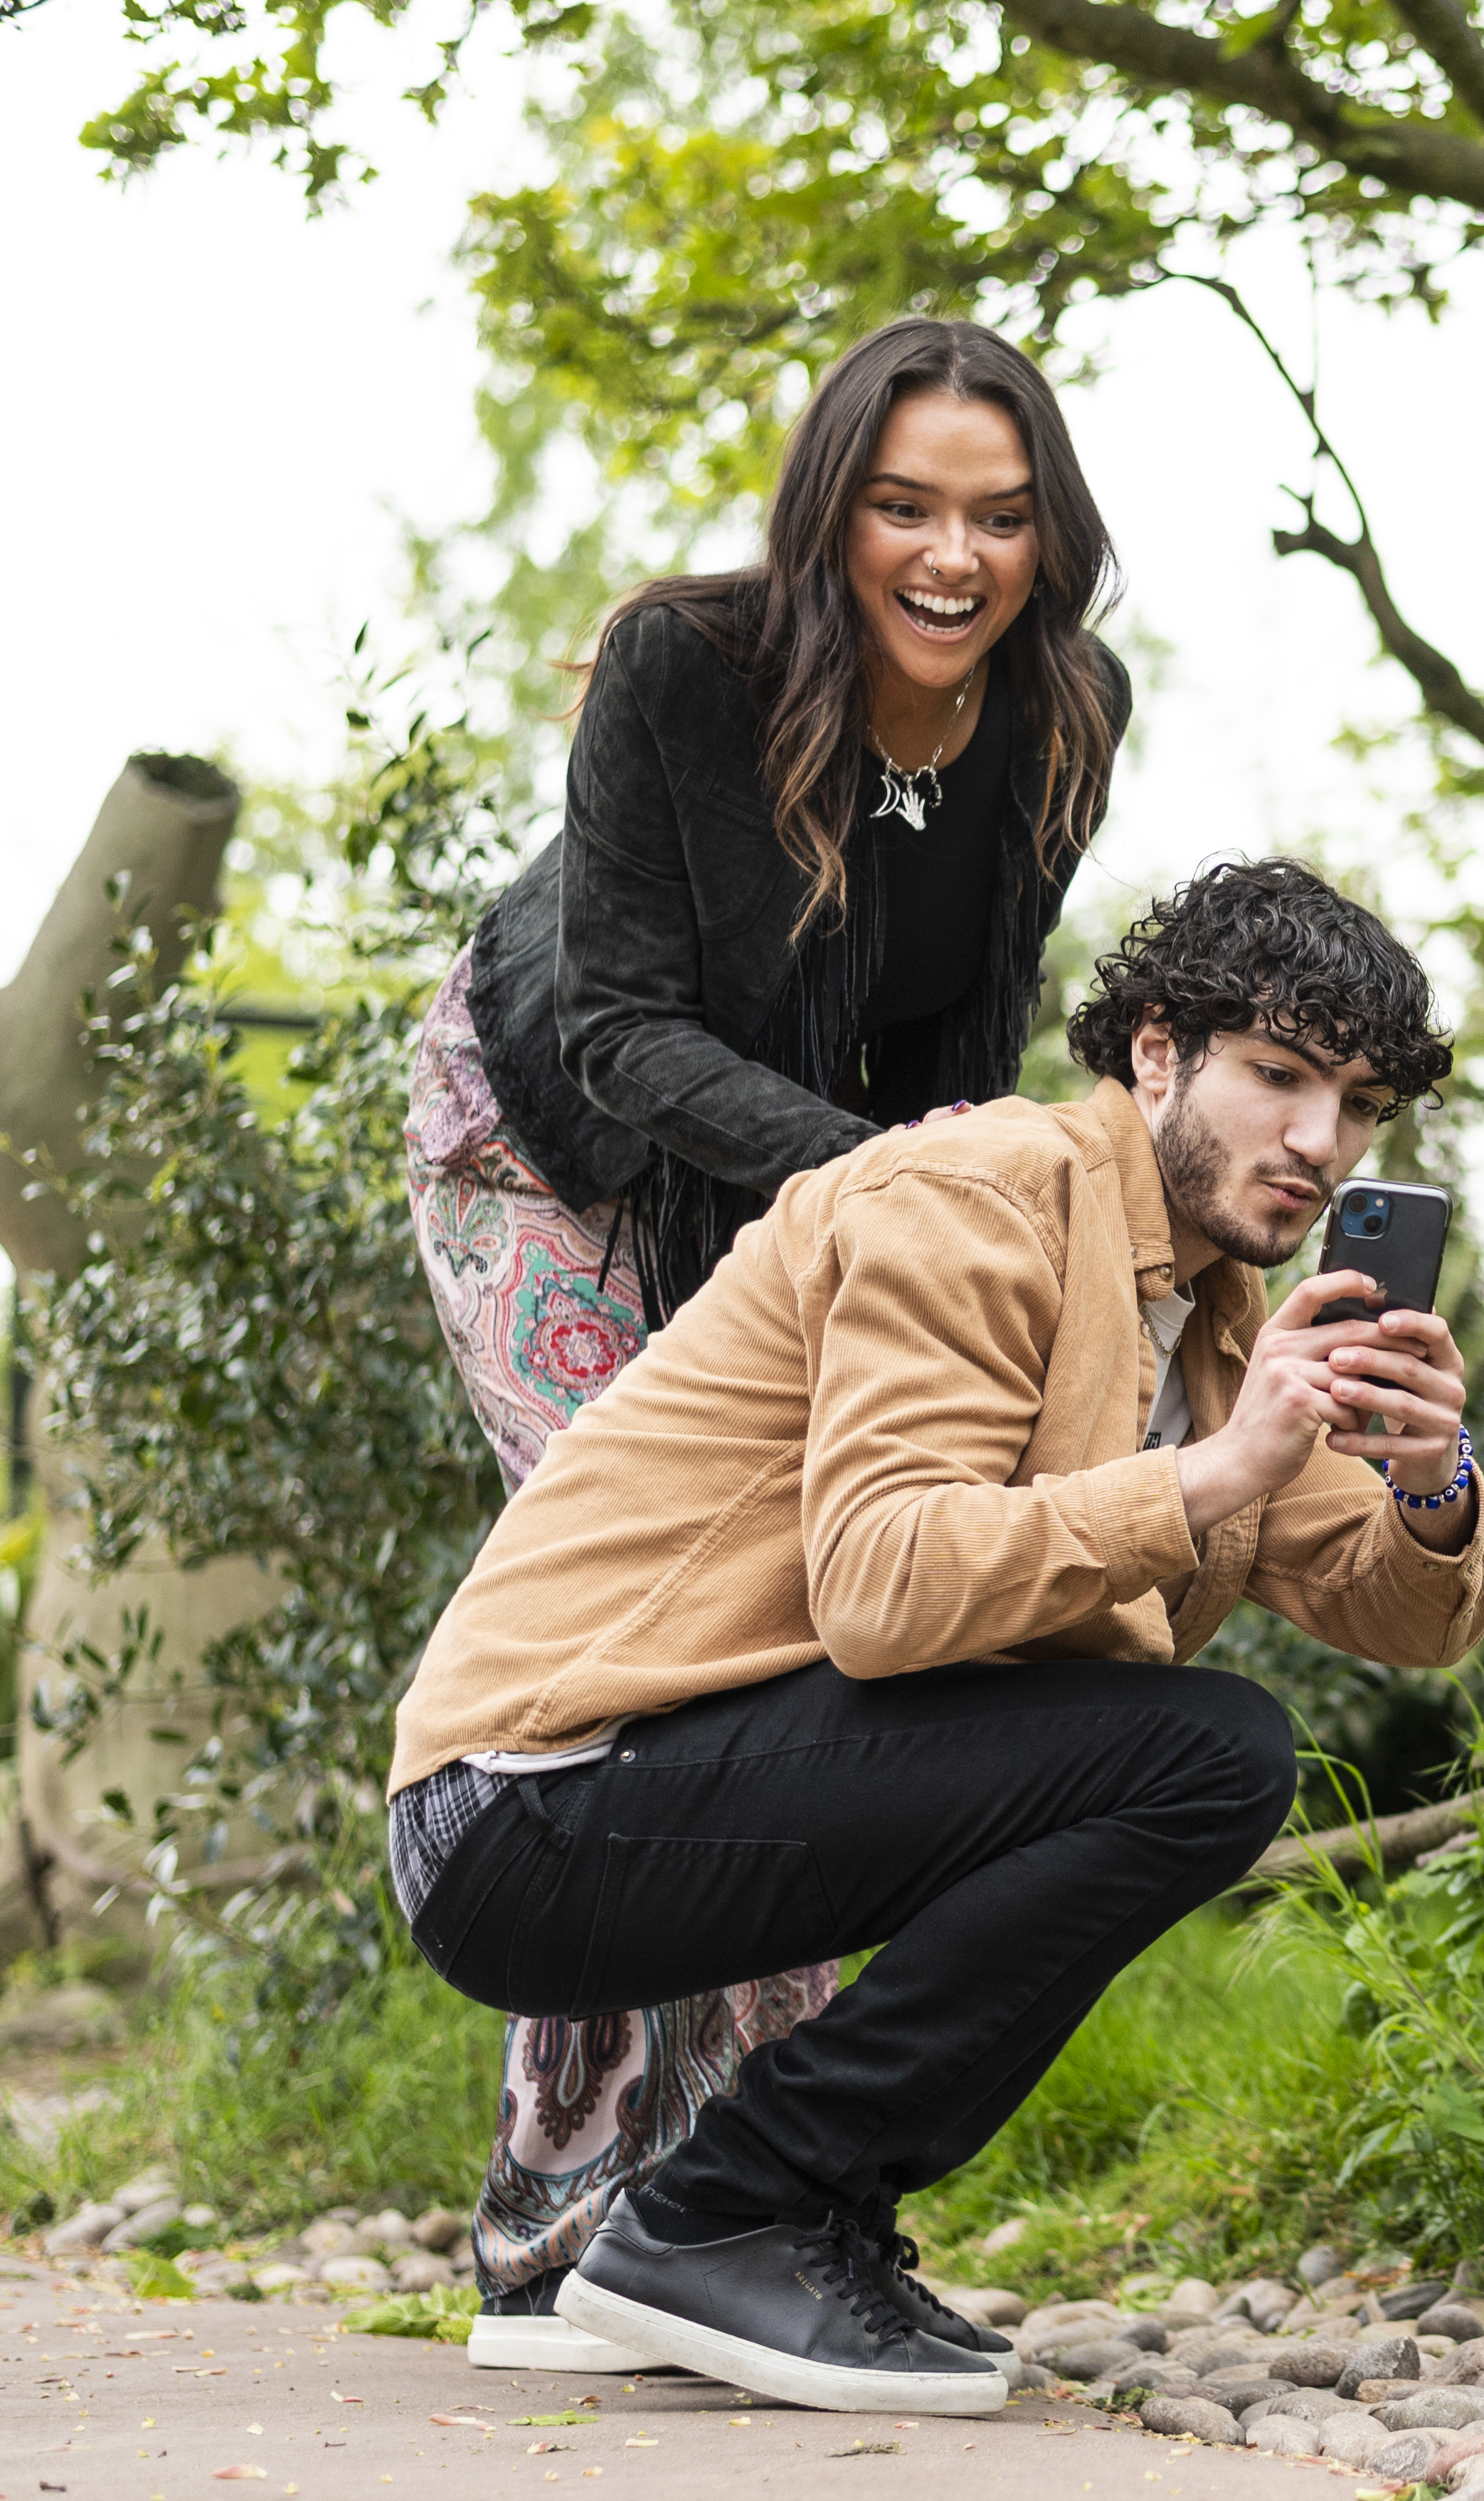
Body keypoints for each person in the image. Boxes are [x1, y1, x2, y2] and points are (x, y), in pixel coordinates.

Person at [383, 858, 1484, 2415]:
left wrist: (1431, 1476)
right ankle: (729, 2212)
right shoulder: (979, 1193)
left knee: (1203, 1749)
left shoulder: (1226, 1317)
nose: (1321, 1143)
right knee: (1207, 1750)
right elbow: (883, 1583)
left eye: (1363, 1104)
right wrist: (1208, 1475)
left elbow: (1403, 1609)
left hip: (660, 1790)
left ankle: (800, 2218)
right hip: (529, 1794)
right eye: (1280, 1076)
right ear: (1158, 1053)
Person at [393, 313, 1135, 2371]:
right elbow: (627, 1029)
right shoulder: (682, 671)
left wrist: (971, 1249)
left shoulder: (1063, 715)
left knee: (818, 1629)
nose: (952, 556)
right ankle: (562, 2218)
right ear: (835, 513)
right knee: (644, 1641)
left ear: (1047, 536)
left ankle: (739, 2204)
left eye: (999, 516)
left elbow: (970, 1045)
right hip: (542, 1143)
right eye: (905, 506)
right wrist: (894, 1192)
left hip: (803, 1186)